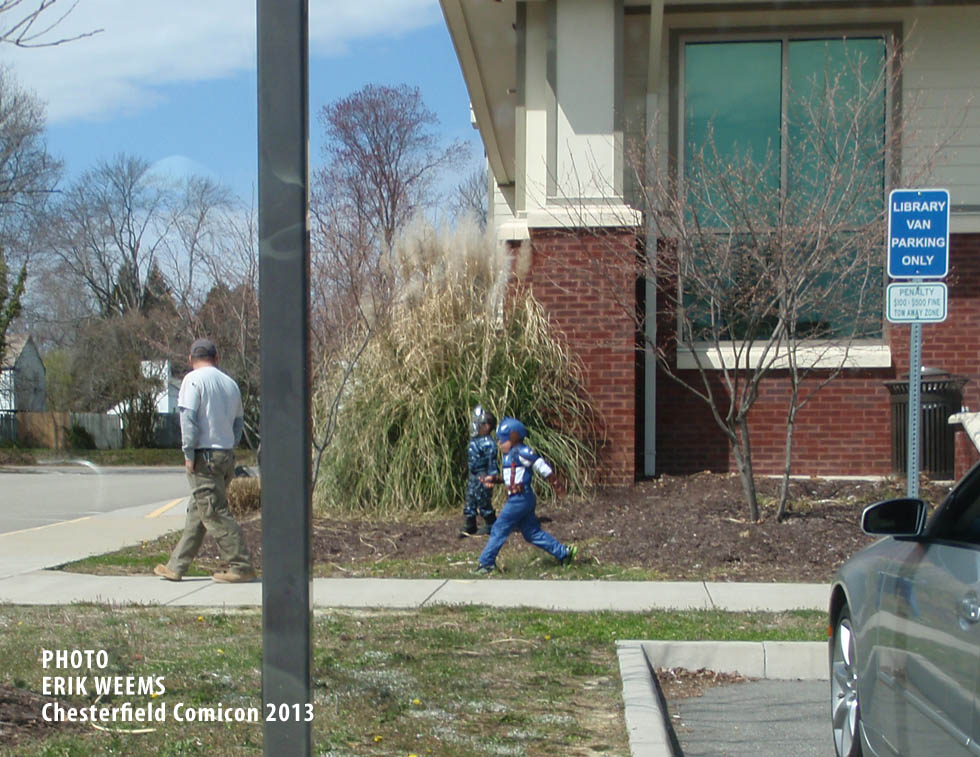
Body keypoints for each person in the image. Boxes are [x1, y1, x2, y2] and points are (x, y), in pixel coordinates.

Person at [154, 338, 257, 583]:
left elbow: (188, 420)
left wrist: (188, 454)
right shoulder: (230, 384)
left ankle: (241, 565)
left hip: (205, 456)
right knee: (198, 510)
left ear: (191, 359)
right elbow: (238, 423)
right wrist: (228, 446)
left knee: (213, 512)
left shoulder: (193, 380)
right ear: (216, 358)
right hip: (225, 455)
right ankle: (176, 566)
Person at [474, 417, 577, 574]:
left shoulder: (522, 451)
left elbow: (539, 464)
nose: (500, 443)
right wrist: (494, 479)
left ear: (514, 437)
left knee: (499, 527)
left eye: (503, 440)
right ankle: (563, 553)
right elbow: (511, 478)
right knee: (531, 533)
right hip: (520, 498)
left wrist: (553, 481)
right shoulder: (509, 456)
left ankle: (486, 563)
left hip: (519, 499)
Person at [460, 405, 498, 537]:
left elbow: (492, 462)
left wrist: (491, 477)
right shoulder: (475, 440)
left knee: (483, 500)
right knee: (470, 498)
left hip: (483, 476)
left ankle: (491, 523)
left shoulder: (489, 443)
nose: (476, 426)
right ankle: (470, 523)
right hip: (474, 475)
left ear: (487, 426)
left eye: (479, 424)